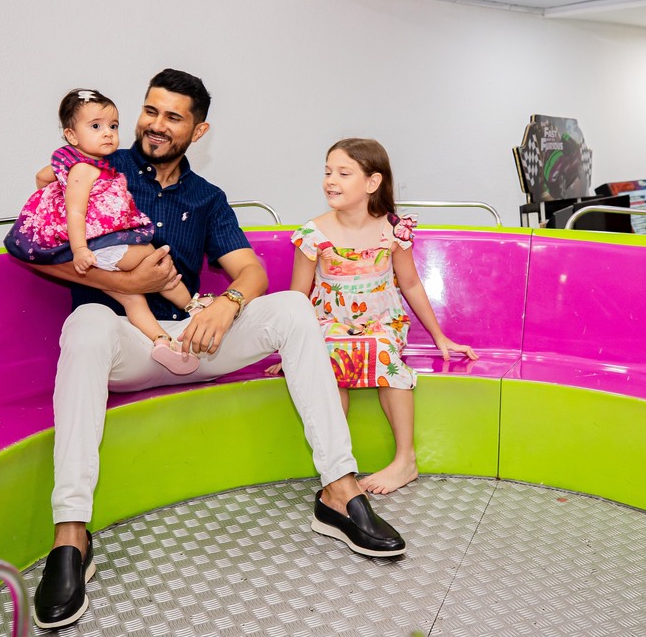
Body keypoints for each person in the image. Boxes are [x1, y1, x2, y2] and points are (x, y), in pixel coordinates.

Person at [22, 70, 405, 630]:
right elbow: (30, 249)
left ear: (198, 131)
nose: (155, 124)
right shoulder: (99, 166)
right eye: (150, 110)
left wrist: (226, 305)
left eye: (172, 117)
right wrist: (124, 284)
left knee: (293, 309)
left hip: (195, 340)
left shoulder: (207, 198)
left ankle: (339, 493)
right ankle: (72, 536)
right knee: (84, 323)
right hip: (125, 344)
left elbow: (251, 270)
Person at [272, 138, 477, 495]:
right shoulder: (312, 234)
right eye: (328, 172)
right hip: (329, 323)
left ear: (372, 182)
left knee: (383, 352)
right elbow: (297, 297)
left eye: (343, 173)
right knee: (327, 358)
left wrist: (439, 336)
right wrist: (291, 350)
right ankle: (338, 468)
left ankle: (405, 460)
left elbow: (410, 284)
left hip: (382, 321)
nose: (330, 181)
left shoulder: (393, 230)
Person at [4, 88, 198, 374]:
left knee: (133, 299)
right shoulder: (83, 170)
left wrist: (54, 190)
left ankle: (161, 342)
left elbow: (42, 176)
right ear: (72, 136)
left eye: (113, 126)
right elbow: (76, 212)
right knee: (157, 260)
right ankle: (195, 306)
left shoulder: (86, 165)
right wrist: (80, 248)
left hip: (99, 254)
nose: (108, 133)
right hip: (99, 249)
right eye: (96, 126)